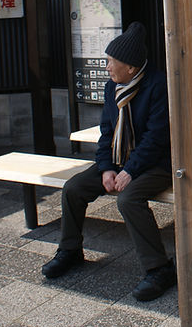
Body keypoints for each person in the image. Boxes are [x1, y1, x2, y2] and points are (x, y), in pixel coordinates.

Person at [42, 21, 176, 301]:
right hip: (118, 160)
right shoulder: (111, 88)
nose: (107, 67)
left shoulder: (157, 86)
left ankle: (159, 269)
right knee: (74, 188)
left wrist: (129, 171)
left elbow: (157, 139)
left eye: (110, 62)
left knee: (127, 199)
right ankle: (70, 250)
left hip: (155, 164)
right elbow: (106, 133)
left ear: (130, 67)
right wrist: (105, 169)